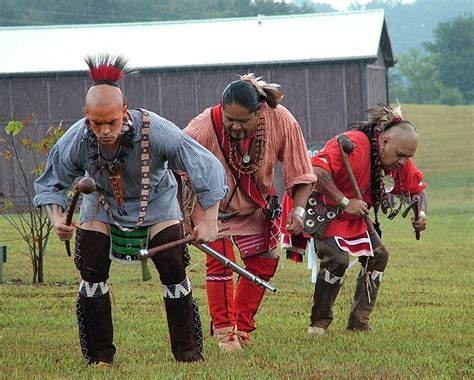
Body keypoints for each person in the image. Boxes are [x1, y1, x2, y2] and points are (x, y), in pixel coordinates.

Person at [33, 54, 228, 365]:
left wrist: (211, 219)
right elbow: (50, 183)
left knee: (173, 267)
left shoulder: (157, 129)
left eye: (112, 122)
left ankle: (187, 353)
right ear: (87, 117)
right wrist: (58, 219)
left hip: (157, 202)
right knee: (91, 269)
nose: (106, 130)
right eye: (98, 123)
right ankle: (100, 357)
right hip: (102, 204)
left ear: (124, 112)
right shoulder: (79, 138)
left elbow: (205, 166)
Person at [183, 74, 316, 351]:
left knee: (265, 263)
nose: (234, 126)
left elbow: (301, 171)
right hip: (210, 208)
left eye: (243, 121)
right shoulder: (205, 123)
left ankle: (241, 327)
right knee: (220, 262)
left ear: (260, 112)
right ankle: (224, 334)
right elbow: (176, 160)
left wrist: (300, 211)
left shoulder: (282, 121)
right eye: (229, 119)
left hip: (255, 206)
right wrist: (185, 220)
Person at [306, 102, 427, 335]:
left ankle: (358, 323)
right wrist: (344, 202)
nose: (402, 162)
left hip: (355, 214)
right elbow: (316, 172)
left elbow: (418, 190)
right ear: (385, 140)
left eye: (407, 157)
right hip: (323, 208)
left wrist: (420, 213)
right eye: (400, 155)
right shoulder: (355, 144)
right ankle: (318, 324)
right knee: (337, 259)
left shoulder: (399, 160)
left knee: (379, 257)